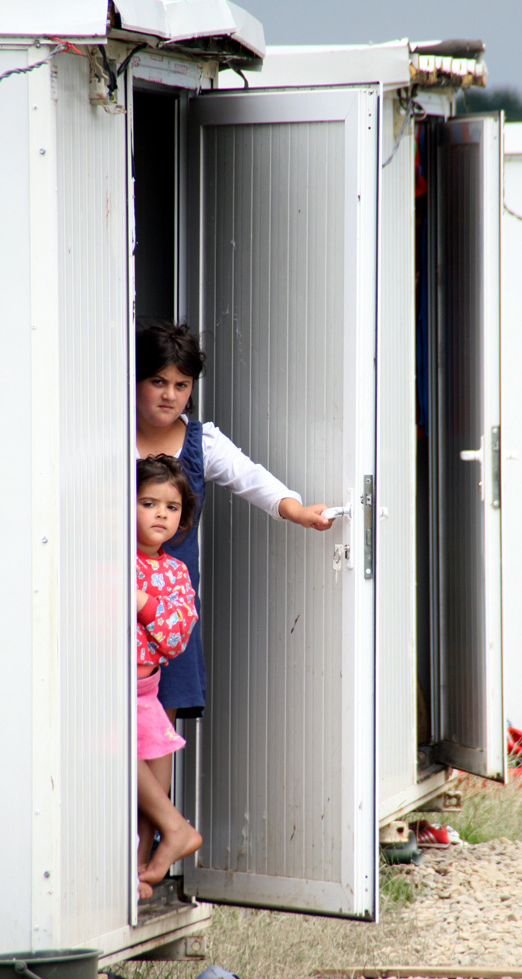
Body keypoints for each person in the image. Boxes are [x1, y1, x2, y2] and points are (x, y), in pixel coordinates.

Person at [136, 321, 334, 729]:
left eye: (182, 384)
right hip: (114, 603)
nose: (170, 395)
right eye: (158, 381)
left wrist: (296, 510)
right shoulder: (105, 437)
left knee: (160, 729)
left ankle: (161, 797)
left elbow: (252, 478)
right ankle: (157, 799)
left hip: (170, 612)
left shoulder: (202, 443)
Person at [136, 454, 203, 890]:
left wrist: (141, 601)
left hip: (148, 694)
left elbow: (176, 637)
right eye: (148, 503)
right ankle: (178, 828)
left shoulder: (175, 571)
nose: (161, 513)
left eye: (171, 507)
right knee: (134, 776)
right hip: (114, 693)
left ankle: (140, 871)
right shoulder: (109, 559)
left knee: (148, 804)